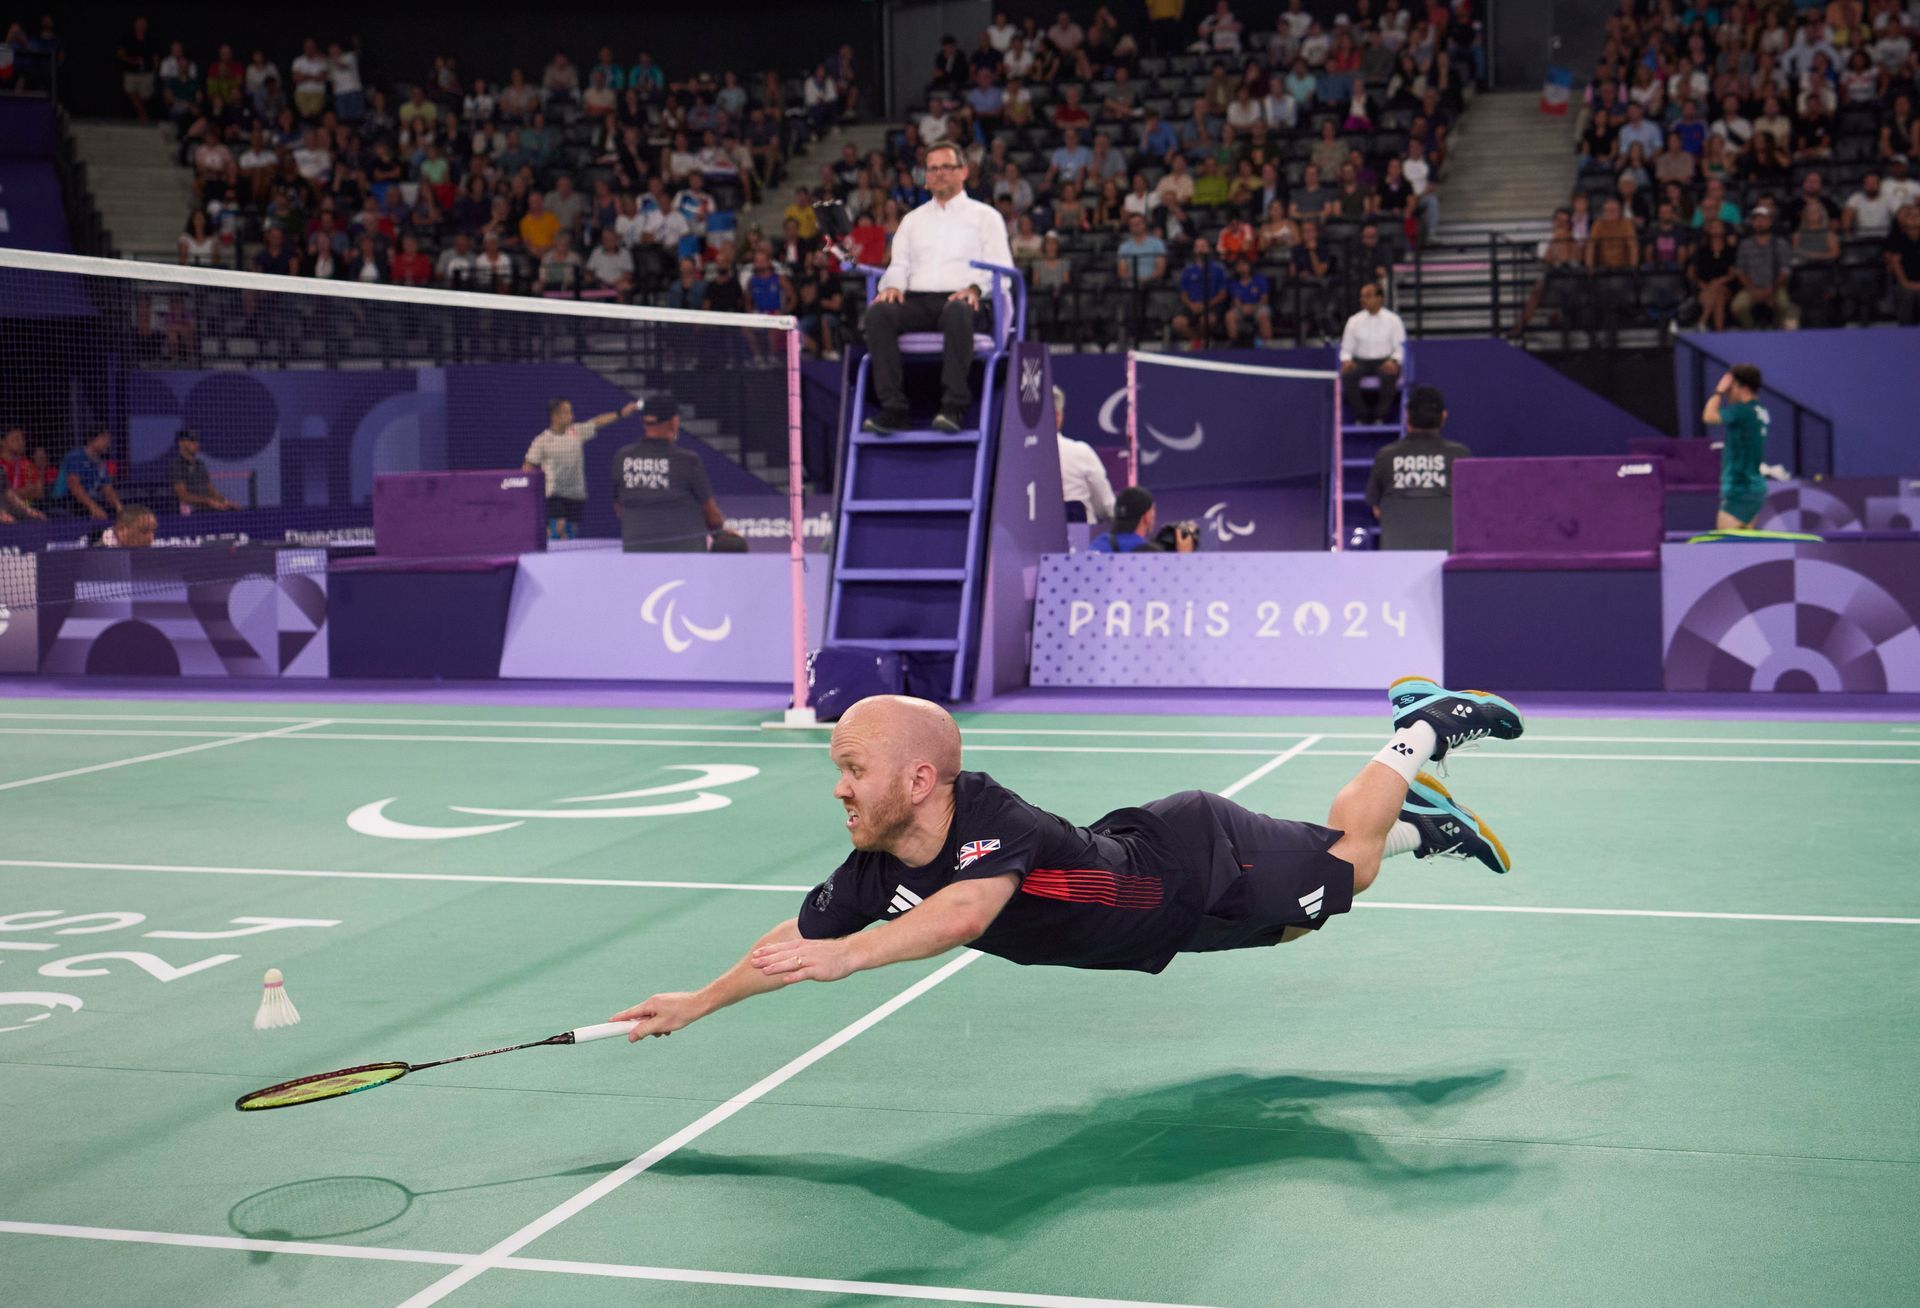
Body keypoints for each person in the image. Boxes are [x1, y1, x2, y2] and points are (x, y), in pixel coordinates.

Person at [608, 685, 1524, 1039]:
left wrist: (849, 958)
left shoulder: (991, 818)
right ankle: (1429, 830)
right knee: (1296, 927)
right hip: (1163, 923)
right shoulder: (878, 863)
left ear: (920, 777)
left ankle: (1420, 731)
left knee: (1349, 865)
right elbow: (795, 934)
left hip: (1200, 858)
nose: (839, 789)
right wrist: (699, 1000)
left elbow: (963, 914)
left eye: (852, 769)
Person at [861, 142, 1015, 435]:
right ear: (925, 176)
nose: (940, 173)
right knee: (878, 313)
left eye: (947, 167)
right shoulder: (912, 220)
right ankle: (893, 409)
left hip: (967, 301)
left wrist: (974, 288)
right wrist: (892, 286)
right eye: (933, 168)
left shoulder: (986, 217)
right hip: (919, 301)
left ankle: (953, 407)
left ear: (964, 172)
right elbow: (899, 265)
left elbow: (1003, 272)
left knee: (958, 309)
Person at [612, 397, 725, 553]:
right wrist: (721, 531)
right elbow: (712, 517)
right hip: (686, 557)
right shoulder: (687, 460)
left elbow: (619, 508)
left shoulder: (622, 457)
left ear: (645, 422)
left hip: (636, 553)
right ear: (674, 422)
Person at [1365, 385, 1471, 551]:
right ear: (1443, 417)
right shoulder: (1460, 455)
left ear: (1407, 418)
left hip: (1398, 558)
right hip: (1448, 558)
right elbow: (1470, 509)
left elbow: (1377, 510)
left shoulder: (1386, 456)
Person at [523, 396, 641, 540]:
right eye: (566, 412)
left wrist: (621, 413)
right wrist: (527, 492)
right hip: (555, 495)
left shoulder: (576, 431)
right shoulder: (541, 440)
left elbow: (598, 421)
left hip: (576, 495)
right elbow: (528, 465)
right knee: (557, 529)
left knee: (569, 535)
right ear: (555, 416)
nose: (571, 415)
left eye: (571, 411)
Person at [1702, 364, 1769, 531]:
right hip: (1755, 488)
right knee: (1745, 549)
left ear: (1742, 387)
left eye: (1730, 388)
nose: (1728, 394)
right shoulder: (1760, 412)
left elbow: (1708, 416)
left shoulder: (1741, 411)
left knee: (1726, 548)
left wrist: (1718, 391)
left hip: (1739, 487)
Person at [1339, 282, 1406, 424]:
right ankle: (1362, 415)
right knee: (1348, 374)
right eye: (1362, 296)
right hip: (1361, 361)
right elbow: (1346, 349)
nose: (1363, 300)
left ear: (1379, 298)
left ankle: (1380, 416)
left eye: (1368, 296)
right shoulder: (1354, 321)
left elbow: (1401, 347)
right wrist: (1347, 361)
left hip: (1384, 360)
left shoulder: (1393, 320)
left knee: (1389, 374)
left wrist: (1394, 361)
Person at [1053, 385, 1114, 527]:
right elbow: (1106, 507)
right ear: (1057, 417)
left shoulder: (1016, 459)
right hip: (1082, 542)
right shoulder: (1081, 452)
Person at [1089, 485, 1195, 553]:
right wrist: (1184, 557)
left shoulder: (1098, 542)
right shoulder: (1149, 554)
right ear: (1147, 517)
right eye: (1153, 509)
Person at [55, 429, 121, 520]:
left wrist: (119, 508)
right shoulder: (75, 457)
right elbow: (75, 488)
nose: (108, 443)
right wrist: (93, 507)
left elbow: (107, 489)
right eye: (104, 439)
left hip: (88, 504)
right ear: (93, 439)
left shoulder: (100, 463)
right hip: (66, 502)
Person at [169, 428, 235, 513]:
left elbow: (210, 489)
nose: (196, 444)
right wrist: (208, 501)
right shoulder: (177, 466)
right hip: (189, 512)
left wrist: (225, 501)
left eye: (197, 440)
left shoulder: (200, 464)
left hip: (207, 509)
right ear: (181, 443)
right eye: (191, 440)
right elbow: (183, 495)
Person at [1, 426, 47, 522]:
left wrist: (15, 494)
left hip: (25, 504)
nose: (21, 442)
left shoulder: (26, 465)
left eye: (22, 439)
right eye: (16, 439)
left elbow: (39, 493)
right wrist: (25, 491)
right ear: (2, 442)